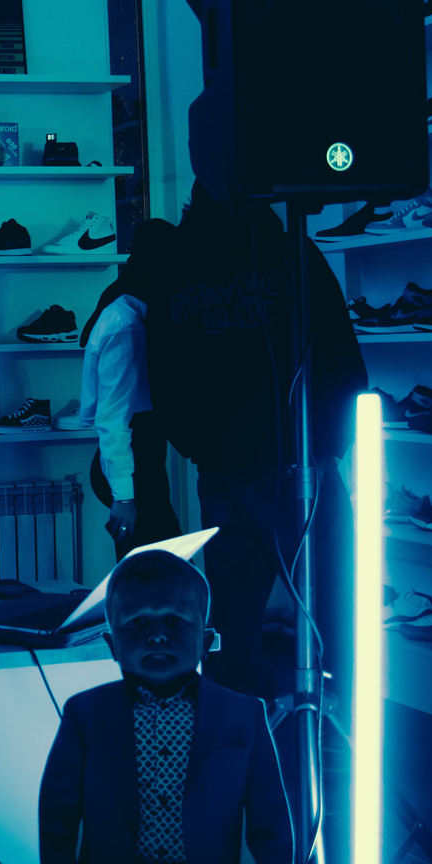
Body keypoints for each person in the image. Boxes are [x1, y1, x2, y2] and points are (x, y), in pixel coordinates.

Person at [38, 549, 293, 864]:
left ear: (206, 639)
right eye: (137, 623)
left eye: (175, 621)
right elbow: (56, 821)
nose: (157, 635)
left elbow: (272, 826)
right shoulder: (85, 716)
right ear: (112, 644)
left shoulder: (243, 717)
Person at [147, 183, 366, 701]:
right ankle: (341, 727)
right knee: (337, 613)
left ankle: (241, 739)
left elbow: (164, 378)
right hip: (300, 463)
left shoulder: (175, 268)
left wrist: (202, 446)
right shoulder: (292, 253)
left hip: (224, 471)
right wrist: (332, 441)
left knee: (235, 632)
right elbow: (340, 351)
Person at [78, 218, 182, 554]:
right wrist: (124, 498)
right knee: (161, 568)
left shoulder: (133, 310)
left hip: (140, 458)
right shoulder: (126, 324)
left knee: (155, 566)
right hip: (135, 462)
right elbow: (113, 420)